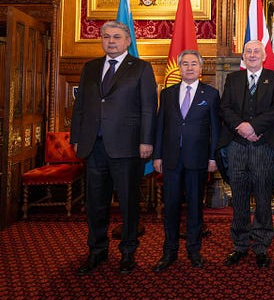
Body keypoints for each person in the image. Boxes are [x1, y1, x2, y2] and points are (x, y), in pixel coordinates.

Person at [71, 21, 157, 275]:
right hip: (93, 146)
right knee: (95, 203)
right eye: (106, 36)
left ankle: (128, 251)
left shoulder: (141, 68)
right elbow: (80, 106)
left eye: (117, 37)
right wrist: (77, 137)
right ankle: (97, 250)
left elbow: (148, 107)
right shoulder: (90, 67)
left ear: (128, 41)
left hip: (127, 147)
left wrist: (146, 140)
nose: (111, 41)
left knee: (128, 203)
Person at [217, 40, 274, 268]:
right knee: (239, 197)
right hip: (236, 146)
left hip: (263, 146)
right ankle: (239, 245)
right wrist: (242, 127)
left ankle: (262, 246)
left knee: (263, 198)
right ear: (243, 56)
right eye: (248, 51)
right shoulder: (233, 78)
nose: (253, 54)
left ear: (264, 56)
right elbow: (225, 108)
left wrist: (254, 127)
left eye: (257, 51)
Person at [152, 50, 220, 272]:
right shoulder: (167, 94)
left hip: (197, 159)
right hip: (171, 158)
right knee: (171, 206)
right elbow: (160, 126)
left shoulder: (211, 94)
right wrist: (157, 155)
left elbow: (215, 129)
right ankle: (169, 251)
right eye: (185, 64)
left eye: (193, 64)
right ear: (179, 68)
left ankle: (194, 250)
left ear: (200, 69)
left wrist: (213, 157)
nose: (189, 68)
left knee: (195, 207)